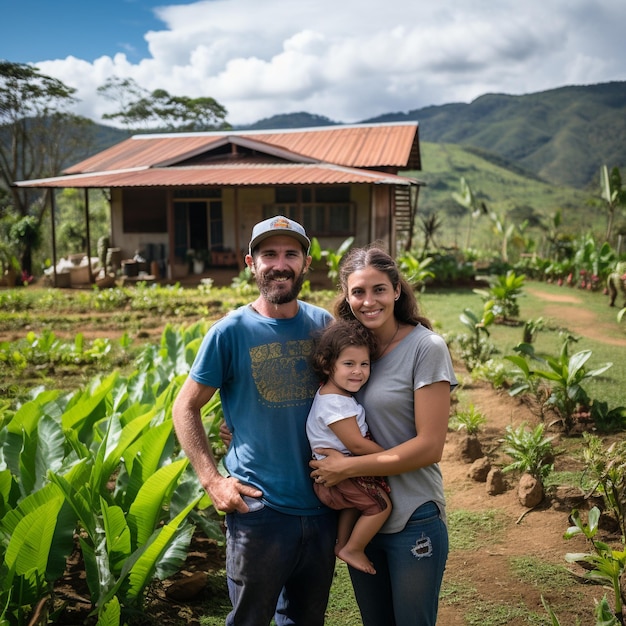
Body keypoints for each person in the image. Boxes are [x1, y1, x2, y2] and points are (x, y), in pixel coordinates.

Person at [172, 215, 336, 626]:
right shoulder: (229, 333)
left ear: (305, 263)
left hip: (323, 506)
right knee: (250, 620)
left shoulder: (326, 328)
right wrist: (212, 480)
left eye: (290, 254)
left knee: (306, 620)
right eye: (268, 254)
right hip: (258, 511)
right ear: (251, 263)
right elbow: (185, 407)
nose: (279, 264)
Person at [310, 245, 457, 626]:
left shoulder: (426, 348)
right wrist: (235, 426)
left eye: (378, 289)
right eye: (358, 292)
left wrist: (348, 467)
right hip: (364, 512)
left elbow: (430, 447)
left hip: (413, 513)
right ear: (347, 296)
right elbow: (314, 398)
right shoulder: (351, 350)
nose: (368, 300)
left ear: (396, 290)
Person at [306, 319, 392, 575]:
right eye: (349, 364)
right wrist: (391, 456)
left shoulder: (334, 394)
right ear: (327, 364)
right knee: (380, 506)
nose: (358, 371)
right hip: (341, 475)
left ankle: (342, 543)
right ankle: (353, 547)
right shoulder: (335, 403)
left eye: (364, 364)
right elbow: (355, 444)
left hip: (337, 477)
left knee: (356, 506)